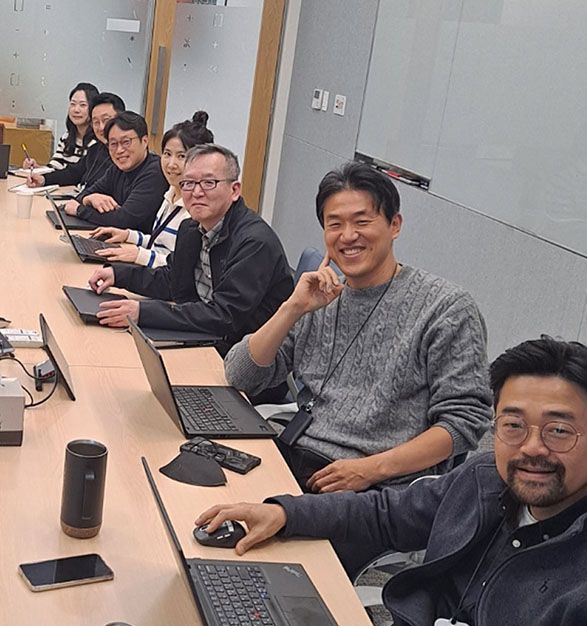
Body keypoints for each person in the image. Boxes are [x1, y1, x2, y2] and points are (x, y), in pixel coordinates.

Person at [197, 336, 587, 626]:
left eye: (559, 432)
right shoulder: (483, 480)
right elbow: (385, 514)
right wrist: (285, 514)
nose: (532, 448)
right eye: (513, 425)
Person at [223, 161, 492, 492]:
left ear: (395, 225)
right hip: (298, 457)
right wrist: (292, 307)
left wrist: (371, 469)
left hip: (378, 488)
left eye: (362, 222)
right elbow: (241, 375)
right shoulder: (320, 296)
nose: (348, 236)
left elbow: (464, 423)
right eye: (334, 224)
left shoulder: (445, 307)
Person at [87, 143, 293, 358]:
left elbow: (226, 317)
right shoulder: (191, 228)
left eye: (208, 183)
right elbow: (171, 281)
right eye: (188, 183)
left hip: (243, 357)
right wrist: (118, 274)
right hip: (204, 335)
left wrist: (143, 312)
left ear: (234, 190)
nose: (196, 192)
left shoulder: (254, 243)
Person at [89, 110, 213, 268]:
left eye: (181, 156)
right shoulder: (171, 195)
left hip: (164, 284)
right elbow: (160, 242)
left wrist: (138, 255)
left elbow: (180, 266)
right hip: (152, 273)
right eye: (167, 154)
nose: (171, 164)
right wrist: (129, 235)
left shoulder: (198, 209)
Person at [63, 111, 167, 233]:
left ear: (144, 141)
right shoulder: (117, 168)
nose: (119, 150)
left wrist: (80, 210)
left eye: (126, 142)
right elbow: (82, 196)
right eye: (113, 144)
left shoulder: (155, 171)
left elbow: (123, 220)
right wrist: (89, 199)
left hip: (141, 248)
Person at [27, 92, 125, 192]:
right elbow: (74, 173)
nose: (101, 127)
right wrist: (44, 179)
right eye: (96, 122)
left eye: (106, 120)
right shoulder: (96, 149)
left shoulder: (124, 155)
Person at [23, 82, 98, 172]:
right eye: (73, 104)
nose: (76, 110)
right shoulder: (67, 137)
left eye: (83, 105)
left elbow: (83, 176)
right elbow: (55, 167)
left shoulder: (97, 142)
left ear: (93, 109)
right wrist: (36, 168)